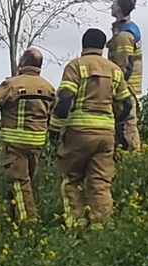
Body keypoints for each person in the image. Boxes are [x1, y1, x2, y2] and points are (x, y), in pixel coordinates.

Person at [50, 28, 132, 228]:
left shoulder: (76, 66)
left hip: (79, 133)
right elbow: (126, 103)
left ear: (83, 44)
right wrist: (116, 124)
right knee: (101, 182)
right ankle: (100, 227)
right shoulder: (114, 70)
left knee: (71, 179)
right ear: (103, 47)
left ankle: (75, 225)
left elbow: (65, 99)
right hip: (106, 134)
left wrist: (54, 128)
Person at [0, 48, 56, 222]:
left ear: (23, 63)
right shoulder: (49, 88)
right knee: (27, 180)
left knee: (19, 183)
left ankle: (27, 221)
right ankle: (14, 216)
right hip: (37, 143)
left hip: (16, 144)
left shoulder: (12, 84)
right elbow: (55, 113)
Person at [107, 0, 143, 151]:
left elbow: (123, 66)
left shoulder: (124, 36)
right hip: (128, 89)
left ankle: (132, 158)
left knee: (127, 127)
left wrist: (116, 89)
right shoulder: (125, 30)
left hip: (126, 90)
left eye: (114, 4)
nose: (111, 6)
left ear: (119, 9)